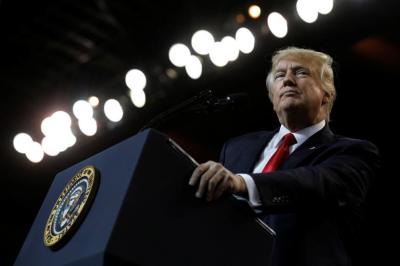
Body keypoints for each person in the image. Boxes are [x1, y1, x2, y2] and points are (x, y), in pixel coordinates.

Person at [189, 47, 380, 266]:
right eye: (280, 76)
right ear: (272, 98)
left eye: (301, 73)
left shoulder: (352, 152)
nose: (288, 80)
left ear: (326, 95)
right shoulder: (236, 147)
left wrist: (243, 183)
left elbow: (313, 183)